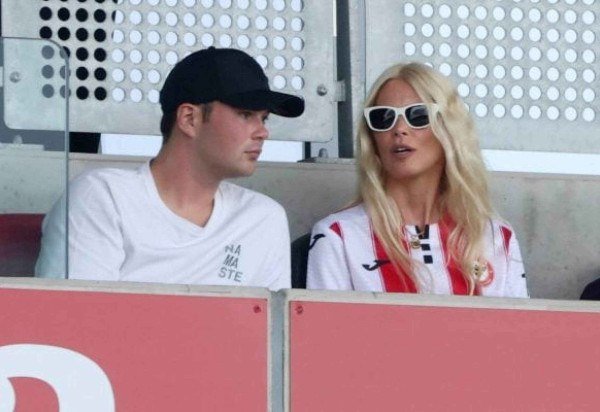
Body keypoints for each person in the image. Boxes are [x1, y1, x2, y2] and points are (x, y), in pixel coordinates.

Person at [36, 47, 304, 290]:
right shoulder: (103, 197)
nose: (263, 132)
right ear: (189, 119)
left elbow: (271, 327)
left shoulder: (263, 218)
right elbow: (74, 318)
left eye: (264, 118)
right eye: (245, 115)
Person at [306, 62, 528, 297]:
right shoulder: (338, 236)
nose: (399, 129)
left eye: (419, 115)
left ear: (449, 128)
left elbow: (519, 321)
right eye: (383, 118)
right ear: (372, 138)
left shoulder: (496, 237)